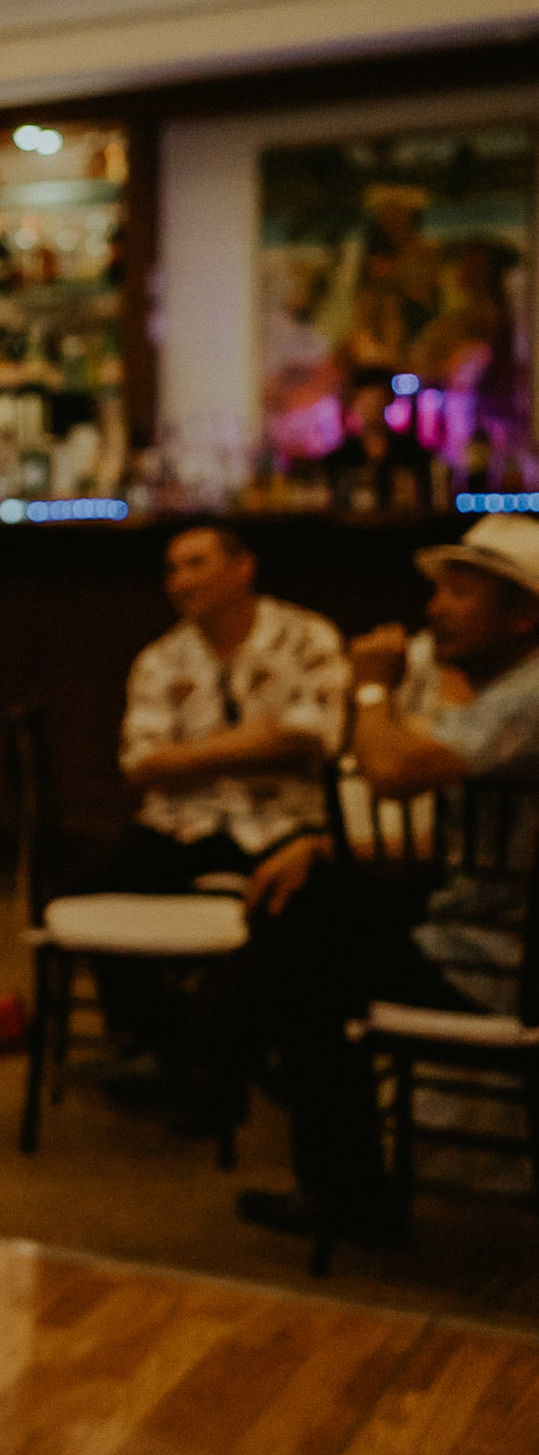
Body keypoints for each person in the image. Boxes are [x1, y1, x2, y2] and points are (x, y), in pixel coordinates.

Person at [228, 514, 539, 1245]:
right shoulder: (508, 692)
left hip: (501, 960)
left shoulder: (528, 696)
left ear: (523, 615)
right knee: (310, 907)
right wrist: (325, 847)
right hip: (484, 926)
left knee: (308, 967)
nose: (434, 609)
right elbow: (463, 837)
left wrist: (371, 690)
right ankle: (223, 1050)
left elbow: (392, 770)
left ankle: (329, 1178)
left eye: (459, 593)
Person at [93, 523, 348, 1072]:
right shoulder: (161, 659)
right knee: (85, 897)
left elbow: (318, 738)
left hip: (286, 822)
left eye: (195, 564)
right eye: (171, 569)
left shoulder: (307, 637)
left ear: (243, 567)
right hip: (184, 823)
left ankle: (248, 1049)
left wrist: (191, 756)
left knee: (302, 915)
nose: (180, 581)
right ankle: (163, 1045)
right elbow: (140, 763)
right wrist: (255, 742)